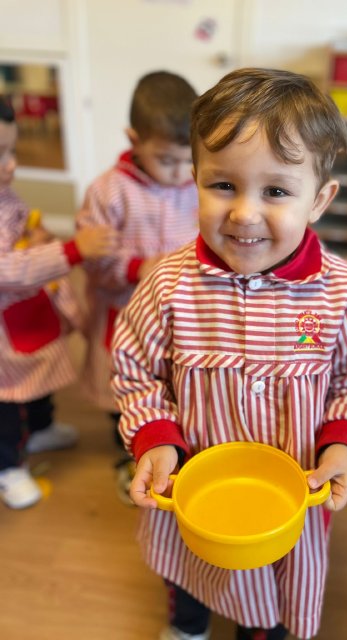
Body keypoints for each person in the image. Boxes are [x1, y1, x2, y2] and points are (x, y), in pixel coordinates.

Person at [111, 68, 347, 640]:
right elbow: (135, 370)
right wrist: (155, 438)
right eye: (223, 185)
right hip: (194, 491)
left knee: (271, 599)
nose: (244, 213)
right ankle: (188, 626)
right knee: (188, 577)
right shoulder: (168, 285)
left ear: (319, 200)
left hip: (287, 502)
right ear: (194, 181)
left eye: (276, 191)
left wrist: (344, 443)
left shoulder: (339, 292)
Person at [75, 71, 199, 502]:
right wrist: (135, 267)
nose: (179, 172)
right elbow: (93, 260)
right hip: (123, 312)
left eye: (187, 160)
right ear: (134, 139)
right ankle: (130, 457)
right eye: (166, 160)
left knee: (173, 381)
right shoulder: (108, 192)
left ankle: (170, 446)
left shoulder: (197, 184)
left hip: (180, 313)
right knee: (124, 386)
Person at [0, 97, 119, 509]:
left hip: (26, 312)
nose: (12, 165)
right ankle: (8, 466)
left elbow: (20, 231)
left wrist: (38, 238)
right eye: (1, 154)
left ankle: (41, 426)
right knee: (8, 400)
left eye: (12, 150)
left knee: (39, 378)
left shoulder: (5, 193)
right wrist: (70, 250)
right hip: (5, 330)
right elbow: (6, 268)